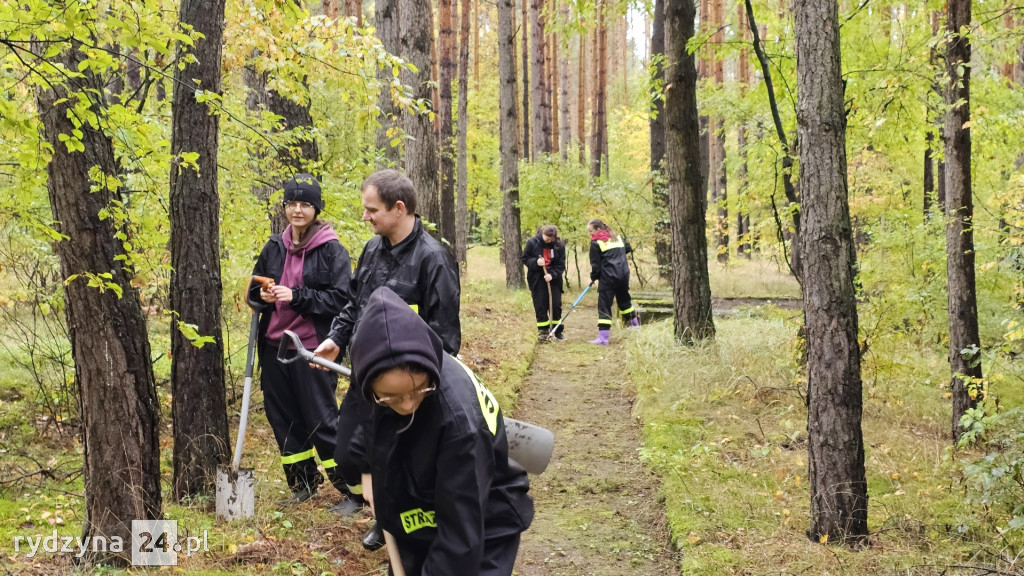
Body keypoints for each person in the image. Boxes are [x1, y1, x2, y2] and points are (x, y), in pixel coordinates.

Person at [312, 169, 461, 538]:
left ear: (399, 208)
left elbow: (445, 336)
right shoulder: (371, 250)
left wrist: (417, 389)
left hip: (407, 388)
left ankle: (396, 524)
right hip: (367, 379)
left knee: (401, 459)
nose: (365, 217)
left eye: (371, 209)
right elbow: (353, 304)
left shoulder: (434, 259)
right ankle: (383, 509)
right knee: (349, 455)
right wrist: (336, 339)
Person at [349, 286, 533, 576]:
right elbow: (365, 420)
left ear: (429, 369)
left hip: (483, 523)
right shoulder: (372, 377)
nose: (408, 404)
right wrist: (367, 470)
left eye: (419, 389)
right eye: (391, 398)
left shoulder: (459, 423)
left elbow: (459, 540)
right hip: (418, 510)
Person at [248, 173, 353, 509]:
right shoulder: (274, 247)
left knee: (322, 420)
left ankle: (353, 490)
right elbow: (253, 290)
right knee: (284, 419)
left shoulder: (332, 250)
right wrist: (262, 294)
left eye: (305, 204)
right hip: (274, 346)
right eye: (292, 203)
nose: (297, 210)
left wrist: (296, 296)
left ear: (315, 209)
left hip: (312, 349)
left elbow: (341, 300)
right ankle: (303, 484)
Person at [586, 218, 639, 345]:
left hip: (608, 278)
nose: (590, 234)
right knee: (625, 301)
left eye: (591, 231)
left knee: (604, 306)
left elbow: (596, 266)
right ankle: (636, 328)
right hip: (623, 276)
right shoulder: (618, 237)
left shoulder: (596, 243)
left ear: (598, 229)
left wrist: (593, 277)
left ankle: (603, 338)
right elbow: (628, 249)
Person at [521, 225, 566, 341]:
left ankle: (557, 331)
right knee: (540, 305)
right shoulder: (532, 242)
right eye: (546, 238)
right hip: (537, 279)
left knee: (555, 305)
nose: (548, 241)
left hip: (553, 280)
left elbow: (561, 265)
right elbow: (524, 258)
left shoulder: (559, 246)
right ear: (542, 233)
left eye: (551, 239)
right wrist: (535, 262)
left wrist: (552, 275)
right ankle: (543, 332)